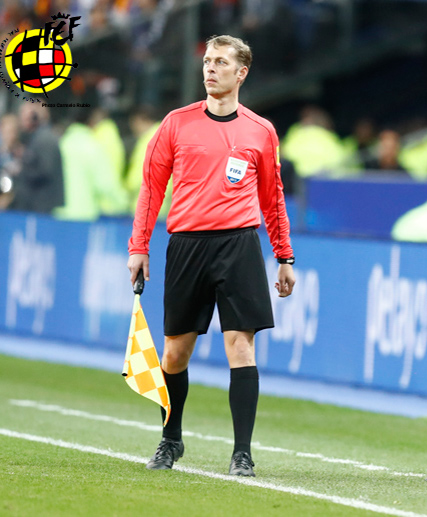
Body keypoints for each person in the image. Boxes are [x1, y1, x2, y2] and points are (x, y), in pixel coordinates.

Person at [127, 35, 296, 477]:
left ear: (241, 73)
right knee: (175, 353)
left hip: (238, 244)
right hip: (186, 244)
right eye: (207, 60)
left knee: (240, 346)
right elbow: (152, 188)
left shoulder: (260, 131)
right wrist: (139, 247)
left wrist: (285, 257)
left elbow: (272, 198)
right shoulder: (176, 124)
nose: (210, 68)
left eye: (221, 62)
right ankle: (170, 439)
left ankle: (242, 452)